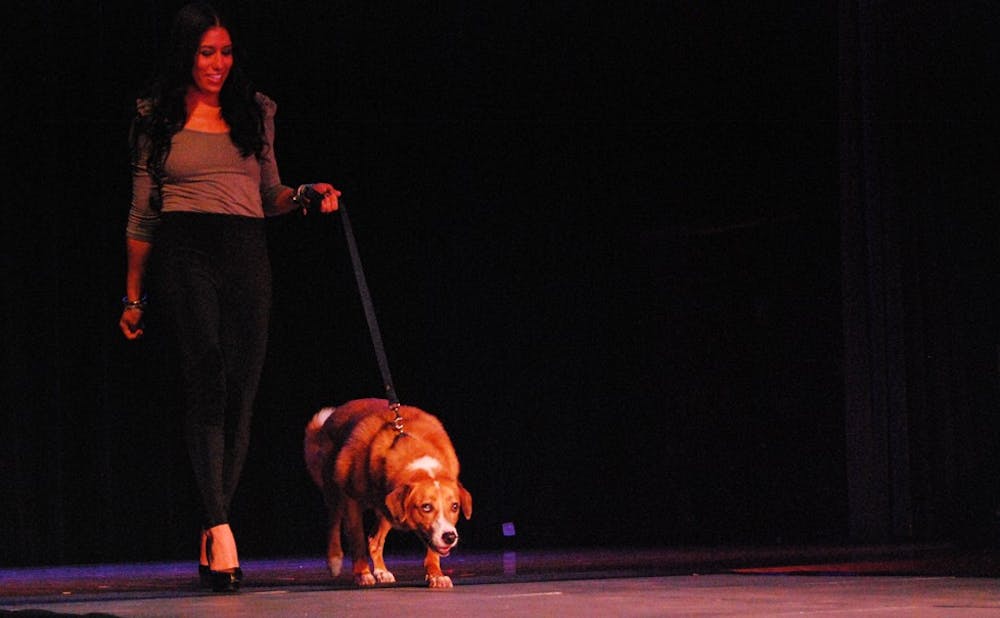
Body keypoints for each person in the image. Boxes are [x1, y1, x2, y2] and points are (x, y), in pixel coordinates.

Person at [118, 2, 340, 592]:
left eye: (226, 52)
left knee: (242, 393)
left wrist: (304, 194)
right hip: (185, 250)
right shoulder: (155, 115)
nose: (217, 64)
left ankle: (212, 520)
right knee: (208, 382)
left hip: (247, 252)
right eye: (205, 52)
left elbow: (268, 194)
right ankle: (221, 527)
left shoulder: (254, 111)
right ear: (185, 53)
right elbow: (143, 212)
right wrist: (133, 296)